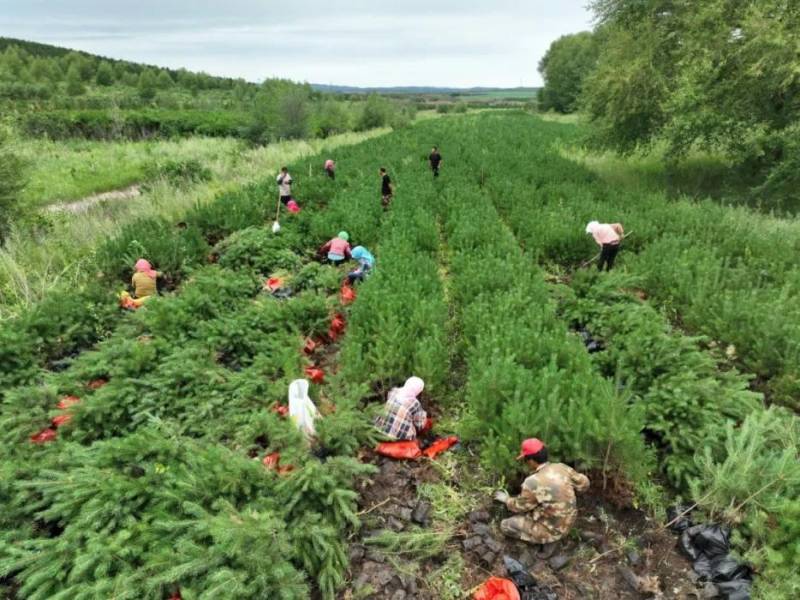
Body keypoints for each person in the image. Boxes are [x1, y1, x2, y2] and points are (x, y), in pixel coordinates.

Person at [494, 438, 590, 553]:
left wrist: (506, 499)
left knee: (505, 525)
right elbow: (584, 484)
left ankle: (542, 541)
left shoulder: (532, 482)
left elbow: (519, 507)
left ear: (531, 461)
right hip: (569, 522)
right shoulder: (561, 467)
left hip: (551, 531)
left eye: (525, 459)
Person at [374, 376, 427, 440]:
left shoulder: (393, 392)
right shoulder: (415, 403)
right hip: (400, 437)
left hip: (380, 430)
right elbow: (419, 425)